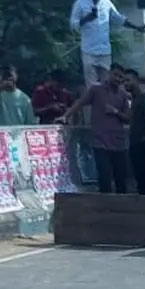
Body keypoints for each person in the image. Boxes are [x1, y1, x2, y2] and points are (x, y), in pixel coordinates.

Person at [57, 64, 131, 193]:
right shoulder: (96, 90)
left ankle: (121, 209)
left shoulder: (123, 95)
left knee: (121, 179)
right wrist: (65, 116)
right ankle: (104, 208)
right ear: (109, 74)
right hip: (100, 142)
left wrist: (115, 112)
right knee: (104, 178)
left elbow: (128, 118)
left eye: (120, 77)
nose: (117, 79)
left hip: (119, 143)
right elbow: (80, 103)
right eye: (115, 75)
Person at [70, 0, 145, 87]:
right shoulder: (80, 3)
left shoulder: (106, 3)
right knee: (92, 86)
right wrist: (86, 19)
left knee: (107, 85)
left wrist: (137, 27)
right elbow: (73, 24)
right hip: (88, 51)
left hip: (105, 51)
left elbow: (119, 19)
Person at [126, 70, 145, 195]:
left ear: (136, 81)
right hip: (134, 140)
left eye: (129, 80)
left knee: (144, 175)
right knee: (139, 175)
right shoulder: (134, 98)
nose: (126, 83)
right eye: (125, 81)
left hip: (143, 142)